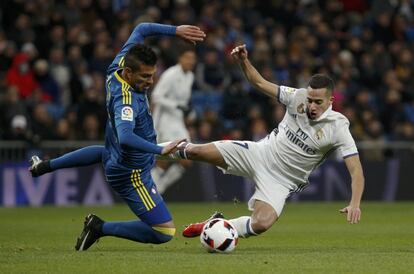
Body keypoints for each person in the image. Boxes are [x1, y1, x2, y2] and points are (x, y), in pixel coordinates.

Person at [29, 22, 205, 251]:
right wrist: (159, 149)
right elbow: (125, 137)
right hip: (132, 173)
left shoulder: (119, 65)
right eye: (145, 76)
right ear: (130, 73)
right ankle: (100, 227)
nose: (150, 82)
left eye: (152, 75)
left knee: (104, 152)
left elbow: (141, 29)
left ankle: (44, 167)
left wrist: (175, 31)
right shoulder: (126, 101)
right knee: (164, 231)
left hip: (116, 155)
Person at [166, 44, 364, 239]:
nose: (311, 106)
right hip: (259, 154)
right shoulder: (297, 96)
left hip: (282, 180)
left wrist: (355, 203)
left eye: (318, 102)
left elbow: (356, 170)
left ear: (331, 101)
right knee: (195, 152)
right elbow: (259, 82)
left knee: (261, 223)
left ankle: (215, 226)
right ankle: (151, 149)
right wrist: (244, 61)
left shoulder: (338, 127)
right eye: (310, 99)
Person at [151, 46, 197, 194]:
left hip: (178, 122)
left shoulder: (190, 76)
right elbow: (156, 96)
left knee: (186, 159)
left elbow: (183, 102)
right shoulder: (170, 74)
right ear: (180, 59)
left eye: (193, 59)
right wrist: (176, 106)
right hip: (165, 122)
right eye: (188, 58)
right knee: (174, 159)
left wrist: (188, 113)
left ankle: (158, 188)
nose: (191, 61)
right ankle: (156, 190)